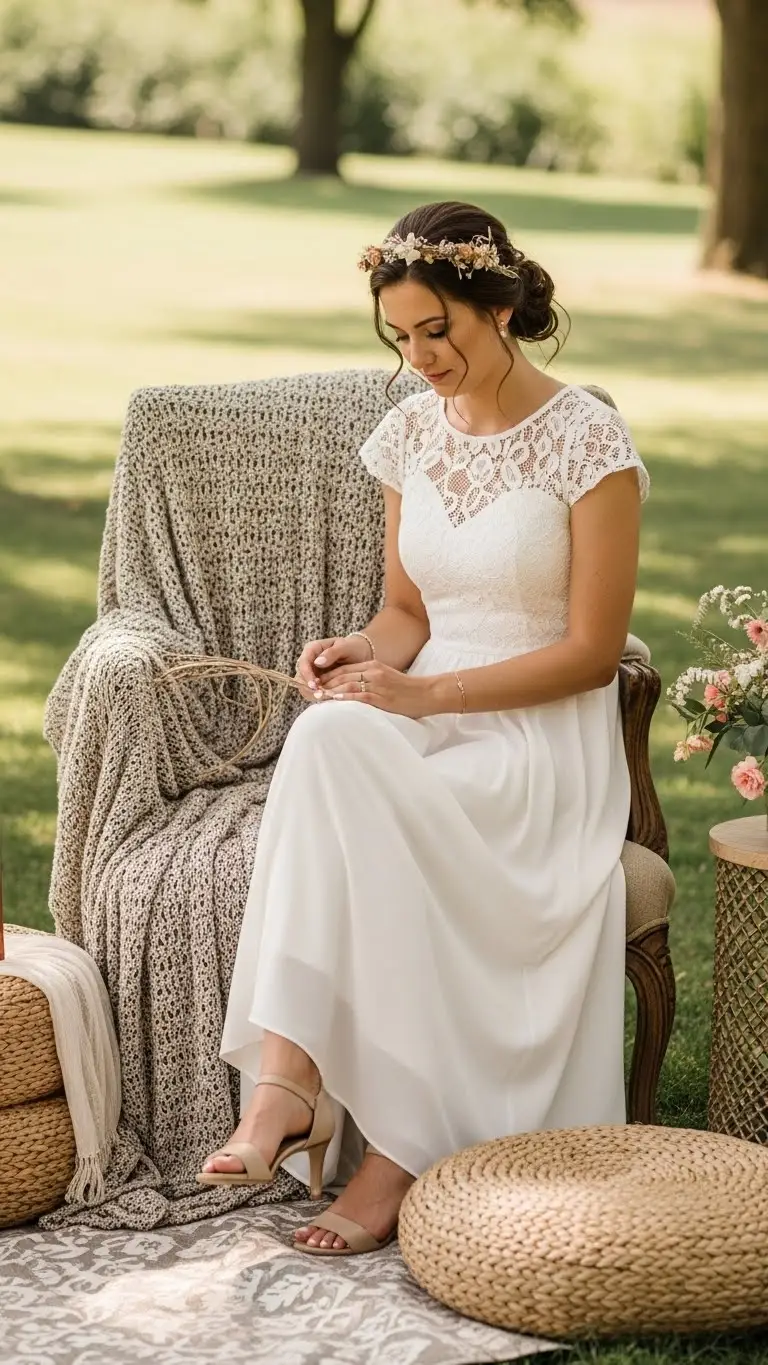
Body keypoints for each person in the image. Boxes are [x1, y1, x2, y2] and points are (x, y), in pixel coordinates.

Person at [198, 199, 649, 1257]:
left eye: (437, 331)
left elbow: (594, 651)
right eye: (401, 336)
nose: (420, 357)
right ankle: (291, 1085)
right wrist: (358, 658)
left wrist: (424, 699)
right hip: (427, 710)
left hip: (536, 742)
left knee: (349, 745)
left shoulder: (589, 437)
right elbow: (407, 617)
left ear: (500, 306)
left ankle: (372, 1141)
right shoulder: (407, 432)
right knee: (328, 731)